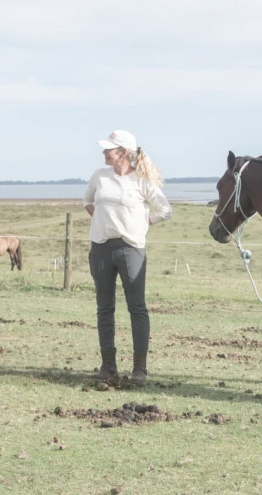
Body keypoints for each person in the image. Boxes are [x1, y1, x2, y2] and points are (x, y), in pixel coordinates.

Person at [83, 130, 172, 387]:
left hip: (131, 249)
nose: (103, 152)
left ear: (122, 152)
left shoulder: (142, 181)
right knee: (104, 307)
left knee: (137, 308)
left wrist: (145, 221)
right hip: (100, 248)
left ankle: (139, 369)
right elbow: (87, 200)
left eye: (108, 149)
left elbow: (165, 210)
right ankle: (107, 366)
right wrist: (103, 222)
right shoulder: (99, 177)